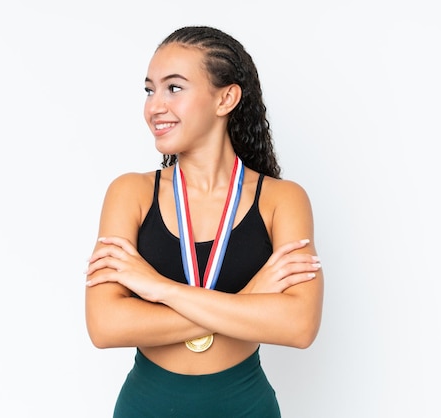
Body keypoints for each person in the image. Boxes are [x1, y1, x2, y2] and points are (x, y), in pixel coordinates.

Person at [85, 25, 324, 417]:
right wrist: (247, 302)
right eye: (150, 90)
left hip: (245, 407)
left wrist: (159, 289)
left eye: (173, 88)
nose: (154, 106)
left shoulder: (282, 200)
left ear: (226, 98)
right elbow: (105, 325)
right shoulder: (130, 193)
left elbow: (298, 326)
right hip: (148, 407)